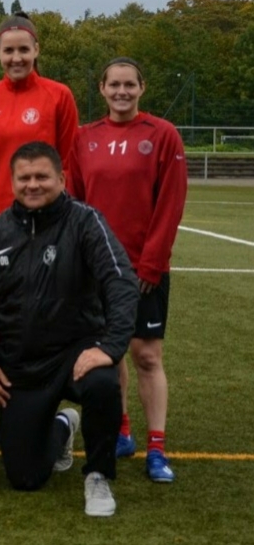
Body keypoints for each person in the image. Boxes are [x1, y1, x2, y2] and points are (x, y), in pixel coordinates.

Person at [0, 141, 138, 517]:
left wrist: (110, 347)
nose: (33, 184)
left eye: (42, 177)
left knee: (103, 382)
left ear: (61, 179)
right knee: (24, 478)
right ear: (12, 182)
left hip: (76, 351)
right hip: (22, 363)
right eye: (24, 178)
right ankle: (63, 426)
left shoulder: (85, 222)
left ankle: (98, 474)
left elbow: (121, 281)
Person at [68, 58, 187, 483]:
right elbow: (75, 203)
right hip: (98, 268)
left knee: (147, 355)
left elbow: (170, 203)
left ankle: (157, 448)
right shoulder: (84, 137)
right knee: (110, 353)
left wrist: (152, 263)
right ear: (102, 89)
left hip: (142, 268)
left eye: (129, 84)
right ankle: (121, 432)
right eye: (114, 84)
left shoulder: (162, 134)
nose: (121, 91)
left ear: (142, 88)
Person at [0, 12, 79, 446]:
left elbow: (67, 163)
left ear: (36, 50)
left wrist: (67, 222)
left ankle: (40, 412)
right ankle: (8, 415)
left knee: (35, 322)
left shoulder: (58, 96)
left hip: (42, 226)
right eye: (8, 50)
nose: (16, 57)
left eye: (23, 50)